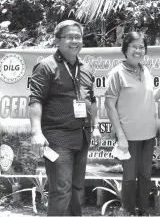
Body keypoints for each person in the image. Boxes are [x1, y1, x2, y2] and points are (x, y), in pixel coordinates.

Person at [29, 20, 101, 216]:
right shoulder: (46, 67)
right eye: (69, 37)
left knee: (77, 188)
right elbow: (35, 100)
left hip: (82, 136)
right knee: (61, 190)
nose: (75, 41)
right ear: (58, 40)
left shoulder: (86, 68)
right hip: (57, 137)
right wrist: (36, 133)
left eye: (78, 37)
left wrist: (95, 126)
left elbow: (92, 100)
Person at [104, 32, 160, 216]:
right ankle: (129, 212)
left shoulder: (145, 70)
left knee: (146, 175)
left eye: (141, 47)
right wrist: (120, 136)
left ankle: (143, 210)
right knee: (129, 178)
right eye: (134, 47)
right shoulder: (117, 73)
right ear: (125, 49)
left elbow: (150, 99)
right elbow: (109, 105)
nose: (138, 51)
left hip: (149, 134)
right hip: (128, 137)